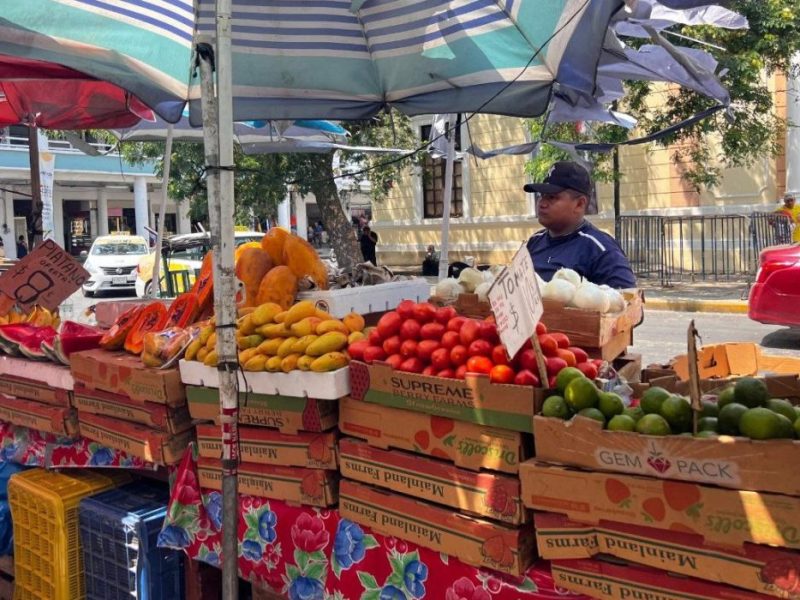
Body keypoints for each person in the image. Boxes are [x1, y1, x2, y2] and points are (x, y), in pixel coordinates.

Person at [524, 161, 636, 288]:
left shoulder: (600, 249)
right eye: (541, 195)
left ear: (579, 204)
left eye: (551, 197)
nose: (542, 203)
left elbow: (628, 302)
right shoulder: (534, 241)